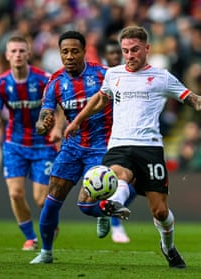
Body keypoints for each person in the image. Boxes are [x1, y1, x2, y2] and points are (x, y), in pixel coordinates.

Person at [64, 25, 201, 268]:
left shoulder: (161, 77)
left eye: (134, 50)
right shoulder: (113, 75)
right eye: (125, 51)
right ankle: (113, 203)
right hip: (120, 144)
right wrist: (77, 121)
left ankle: (167, 247)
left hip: (150, 148)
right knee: (119, 174)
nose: (129, 55)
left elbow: (192, 99)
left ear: (147, 48)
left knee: (160, 212)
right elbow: (99, 100)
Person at [29, 30, 136, 265]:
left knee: (85, 206)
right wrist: (42, 124)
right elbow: (43, 116)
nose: (69, 56)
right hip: (71, 148)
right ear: (59, 53)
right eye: (64, 52)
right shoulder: (55, 82)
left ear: (84, 52)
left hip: (101, 147)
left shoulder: (102, 75)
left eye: (74, 51)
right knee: (51, 201)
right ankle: (46, 252)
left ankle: (107, 210)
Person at [0, 36, 61, 251]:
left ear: (29, 54)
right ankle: (31, 237)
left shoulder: (43, 80)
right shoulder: (1, 83)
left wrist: (57, 128)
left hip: (43, 145)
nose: (18, 54)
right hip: (15, 144)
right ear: (7, 55)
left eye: (22, 51)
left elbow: (60, 106)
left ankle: (51, 223)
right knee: (15, 194)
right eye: (14, 51)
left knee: (41, 199)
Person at [100, 38, 130, 244]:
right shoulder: (101, 77)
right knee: (106, 181)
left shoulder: (130, 76)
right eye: (111, 53)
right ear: (105, 56)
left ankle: (110, 214)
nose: (115, 56)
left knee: (130, 184)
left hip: (124, 137)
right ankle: (113, 223)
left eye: (118, 53)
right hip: (101, 138)